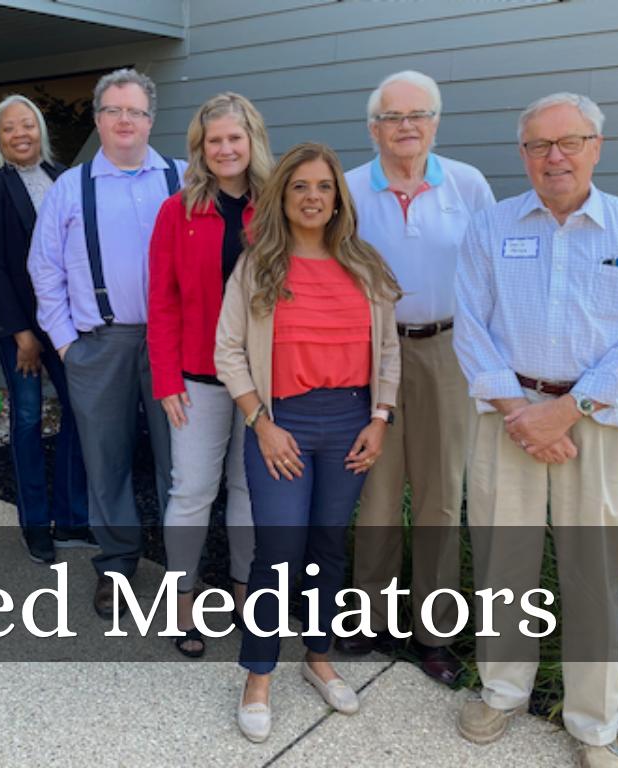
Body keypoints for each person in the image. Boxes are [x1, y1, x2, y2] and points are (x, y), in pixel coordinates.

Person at [454, 92, 618, 768]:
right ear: (523, 153)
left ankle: (594, 727)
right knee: (504, 560)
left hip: (600, 421)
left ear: (596, 147)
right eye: (538, 145)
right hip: (509, 417)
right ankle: (502, 692)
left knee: (595, 573)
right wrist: (522, 416)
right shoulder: (491, 226)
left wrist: (570, 408)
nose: (554, 157)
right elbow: (471, 328)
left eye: (569, 142)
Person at [215, 143, 401, 741]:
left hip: (349, 421)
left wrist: (380, 418)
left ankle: (318, 659)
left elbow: (388, 351)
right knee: (278, 551)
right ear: (283, 197)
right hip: (281, 422)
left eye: (324, 186)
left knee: (326, 546)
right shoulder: (258, 264)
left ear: (338, 198)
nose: (313, 197)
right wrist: (261, 423)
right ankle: (259, 674)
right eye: (300, 186)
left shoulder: (365, 265)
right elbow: (229, 350)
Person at [340, 70, 495, 682]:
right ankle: (368, 619)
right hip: (373, 352)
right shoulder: (350, 188)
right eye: (392, 117)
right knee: (376, 491)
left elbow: (489, 271)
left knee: (440, 495)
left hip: (448, 350)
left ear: (436, 121)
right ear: (373, 128)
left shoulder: (468, 184)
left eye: (418, 115)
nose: (406, 127)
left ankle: (435, 632)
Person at [28, 68, 186, 618]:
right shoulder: (70, 188)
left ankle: (182, 573)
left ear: (151, 119)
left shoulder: (184, 178)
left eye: (135, 111)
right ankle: (116, 565)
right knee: (105, 462)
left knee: (180, 465)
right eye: (113, 110)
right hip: (99, 344)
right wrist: (67, 345)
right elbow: (44, 269)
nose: (124, 120)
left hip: (173, 346)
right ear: (98, 119)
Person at [147, 92, 272, 657]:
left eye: (234, 138)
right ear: (200, 148)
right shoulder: (177, 211)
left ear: (252, 141)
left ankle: (245, 592)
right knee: (192, 490)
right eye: (213, 140)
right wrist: (166, 379)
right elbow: (162, 300)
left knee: (249, 490)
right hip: (197, 377)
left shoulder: (275, 207)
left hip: (264, 378)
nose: (225, 149)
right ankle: (182, 599)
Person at [0, 94, 89, 565]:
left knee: (81, 411)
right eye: (8, 128)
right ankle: (36, 524)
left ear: (40, 128)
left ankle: (73, 517)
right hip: (18, 323)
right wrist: (21, 333)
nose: (20, 134)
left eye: (27, 125)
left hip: (67, 323)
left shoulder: (63, 176)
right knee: (27, 417)